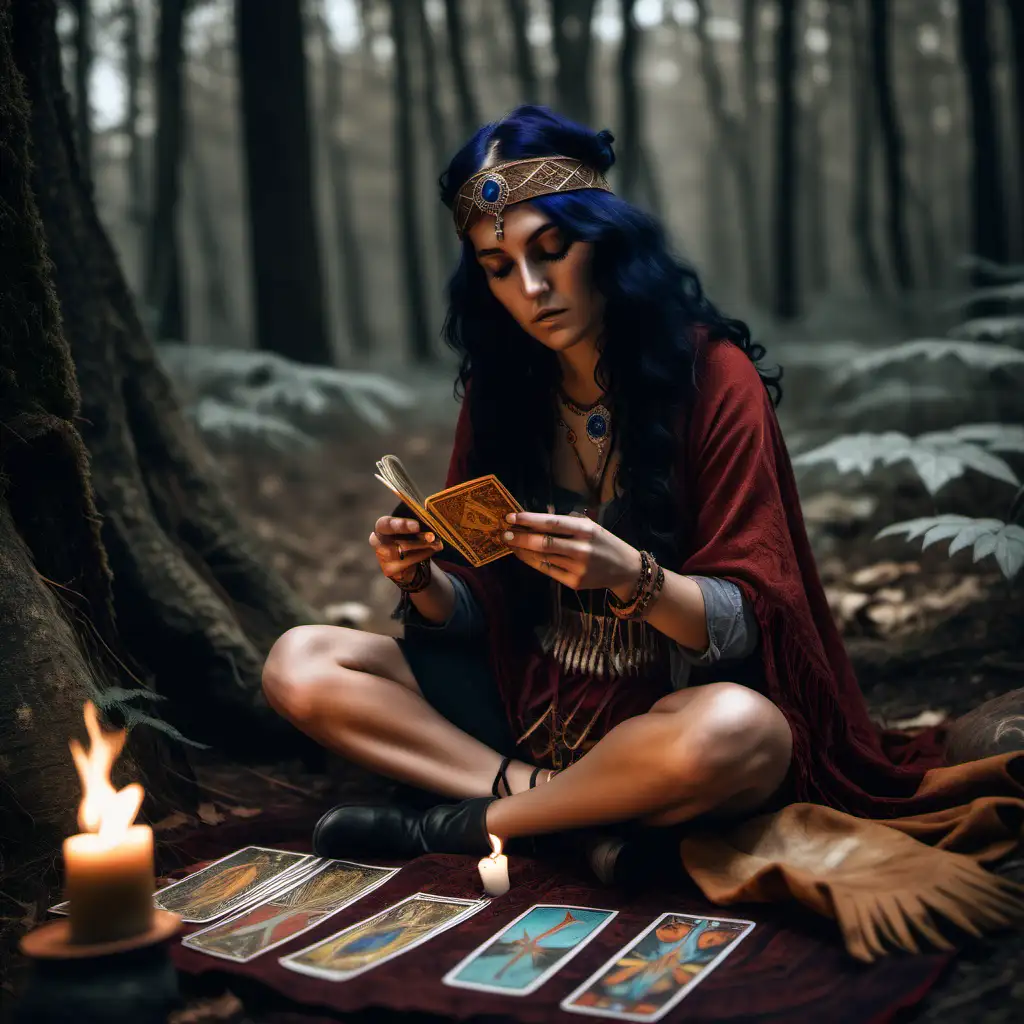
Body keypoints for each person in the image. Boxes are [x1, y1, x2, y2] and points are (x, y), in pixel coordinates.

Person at [262, 106, 945, 864]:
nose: (530, 288)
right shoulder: (500, 392)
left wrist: (630, 574)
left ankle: (451, 827)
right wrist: (421, 581)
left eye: (552, 251)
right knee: (299, 662)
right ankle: (552, 806)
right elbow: (478, 612)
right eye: (497, 269)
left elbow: (750, 623)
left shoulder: (714, 378)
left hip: (664, 714)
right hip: (519, 706)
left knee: (741, 734)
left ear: (609, 243)